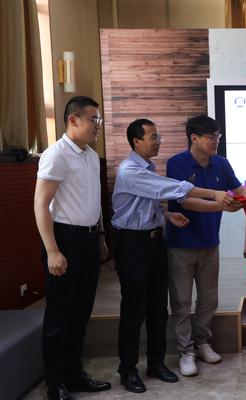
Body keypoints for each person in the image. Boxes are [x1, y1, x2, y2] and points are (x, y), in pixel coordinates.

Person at [111, 118, 237, 393]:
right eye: (154, 137)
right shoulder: (130, 170)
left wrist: (166, 215)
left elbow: (147, 204)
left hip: (156, 240)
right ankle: (128, 369)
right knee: (134, 309)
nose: (159, 141)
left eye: (159, 137)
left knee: (158, 307)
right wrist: (215, 195)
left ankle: (156, 363)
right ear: (136, 141)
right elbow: (171, 189)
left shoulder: (149, 167)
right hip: (134, 244)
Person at [34, 96, 112, 400]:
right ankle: (55, 384)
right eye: (94, 120)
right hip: (64, 239)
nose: (98, 126)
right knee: (59, 315)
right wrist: (52, 250)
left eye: (99, 120)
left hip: (89, 239)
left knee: (81, 312)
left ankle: (75, 374)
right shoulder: (56, 154)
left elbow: (94, 201)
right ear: (73, 120)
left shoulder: (91, 156)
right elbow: (41, 205)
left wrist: (101, 237)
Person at [166, 115, 246, 377]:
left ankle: (202, 342)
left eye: (218, 136)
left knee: (209, 299)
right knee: (181, 301)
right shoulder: (176, 163)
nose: (216, 141)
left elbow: (239, 191)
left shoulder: (221, 163)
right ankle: (185, 351)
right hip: (181, 245)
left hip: (210, 243)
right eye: (211, 137)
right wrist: (221, 205)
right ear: (194, 138)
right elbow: (185, 200)